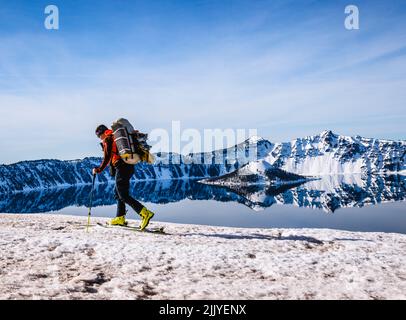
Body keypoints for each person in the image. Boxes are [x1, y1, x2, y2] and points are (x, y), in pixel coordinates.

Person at [92, 124, 155, 230]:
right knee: (118, 193)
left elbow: (107, 158)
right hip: (128, 166)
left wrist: (98, 169)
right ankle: (120, 217)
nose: (100, 138)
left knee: (123, 195)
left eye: (99, 136)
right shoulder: (116, 136)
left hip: (121, 167)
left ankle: (145, 213)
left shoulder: (108, 139)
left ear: (101, 133)